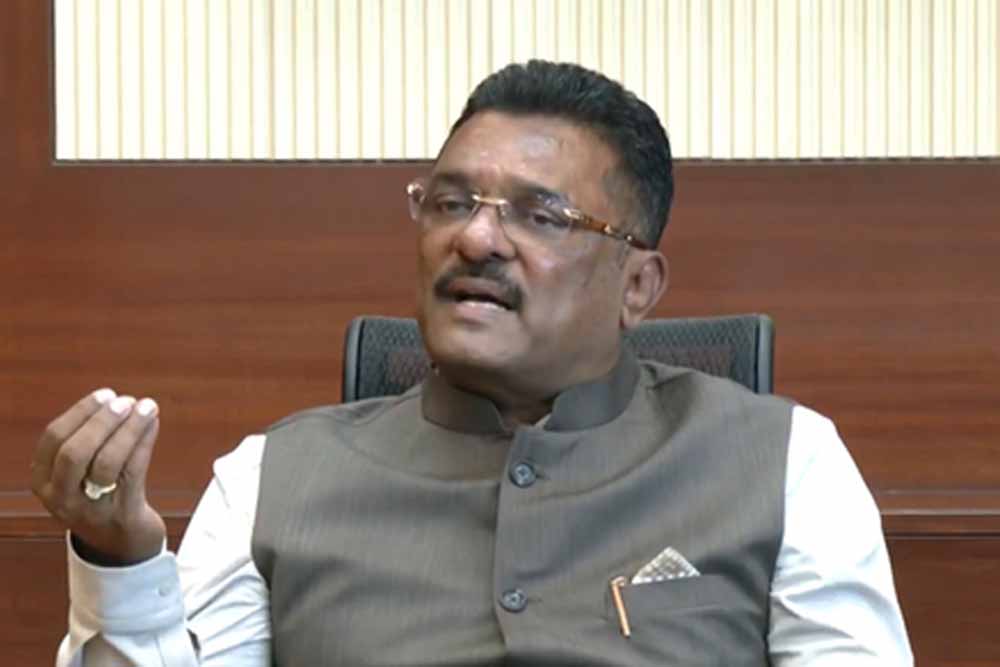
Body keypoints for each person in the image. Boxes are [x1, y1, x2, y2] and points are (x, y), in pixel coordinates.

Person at [32, 60, 913, 666]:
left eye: (542, 216)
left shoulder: (786, 462)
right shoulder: (270, 479)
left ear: (638, 286)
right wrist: (121, 561)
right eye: (451, 202)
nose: (478, 237)